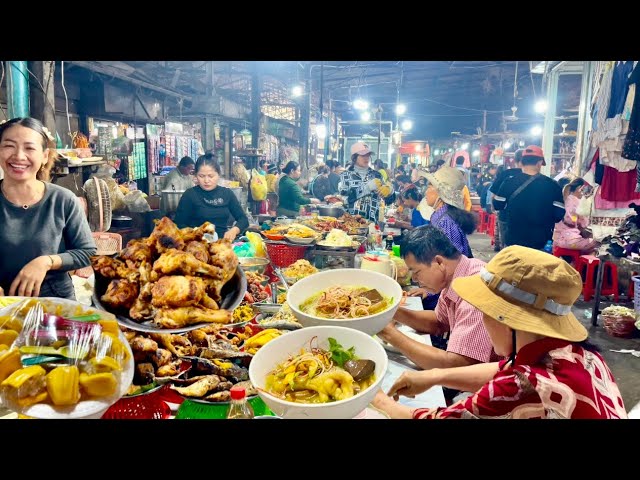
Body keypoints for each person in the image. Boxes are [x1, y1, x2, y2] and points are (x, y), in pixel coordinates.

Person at [373, 246, 628, 419]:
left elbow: (445, 416)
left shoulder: (524, 387)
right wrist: (435, 377)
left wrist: (380, 400)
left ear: (507, 319)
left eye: (486, 311)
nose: (483, 320)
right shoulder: (581, 354)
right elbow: (505, 369)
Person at [377, 226, 499, 374]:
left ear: (439, 262)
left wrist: (388, 332)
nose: (414, 279)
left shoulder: (474, 291)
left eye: (416, 272)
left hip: (493, 381)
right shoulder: (457, 274)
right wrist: (389, 311)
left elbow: (458, 366)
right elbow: (439, 322)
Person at [0, 117, 96, 299]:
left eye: (29, 148)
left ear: (44, 156)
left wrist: (46, 262)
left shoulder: (62, 199)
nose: (19, 155)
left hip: (56, 305)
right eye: (9, 146)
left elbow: (87, 252)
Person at [492, 145, 565, 250]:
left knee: (515, 266)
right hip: (540, 241)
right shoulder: (552, 185)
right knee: (536, 266)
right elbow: (559, 215)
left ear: (522, 162)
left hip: (514, 239)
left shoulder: (509, 182)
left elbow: (498, 205)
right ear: (540, 163)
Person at [174, 153, 249, 241]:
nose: (206, 180)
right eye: (201, 176)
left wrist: (234, 230)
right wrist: (195, 234)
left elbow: (243, 219)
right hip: (197, 246)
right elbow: (179, 225)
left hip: (222, 245)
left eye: (211, 176)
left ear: (218, 175)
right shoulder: (190, 195)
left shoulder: (227, 194)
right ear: (195, 175)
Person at [418, 166, 476, 257]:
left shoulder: (446, 222)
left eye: (429, 188)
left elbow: (452, 259)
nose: (426, 192)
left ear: (441, 193)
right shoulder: (440, 215)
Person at [338, 142, 394, 223]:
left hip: (373, 225)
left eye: (368, 155)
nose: (366, 158)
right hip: (350, 225)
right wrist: (367, 188)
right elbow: (344, 200)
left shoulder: (377, 175)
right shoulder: (344, 176)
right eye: (363, 155)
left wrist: (390, 191)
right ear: (354, 157)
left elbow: (389, 202)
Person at [553, 177, 599, 254]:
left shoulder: (565, 198)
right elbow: (584, 224)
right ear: (579, 188)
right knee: (596, 244)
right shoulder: (578, 203)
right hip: (569, 240)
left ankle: (573, 261)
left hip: (557, 238)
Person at [489, 149, 523, 251]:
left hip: (505, 214)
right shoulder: (535, 177)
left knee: (507, 246)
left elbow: (493, 195)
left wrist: (493, 207)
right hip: (525, 215)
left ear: (514, 160)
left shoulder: (506, 174)